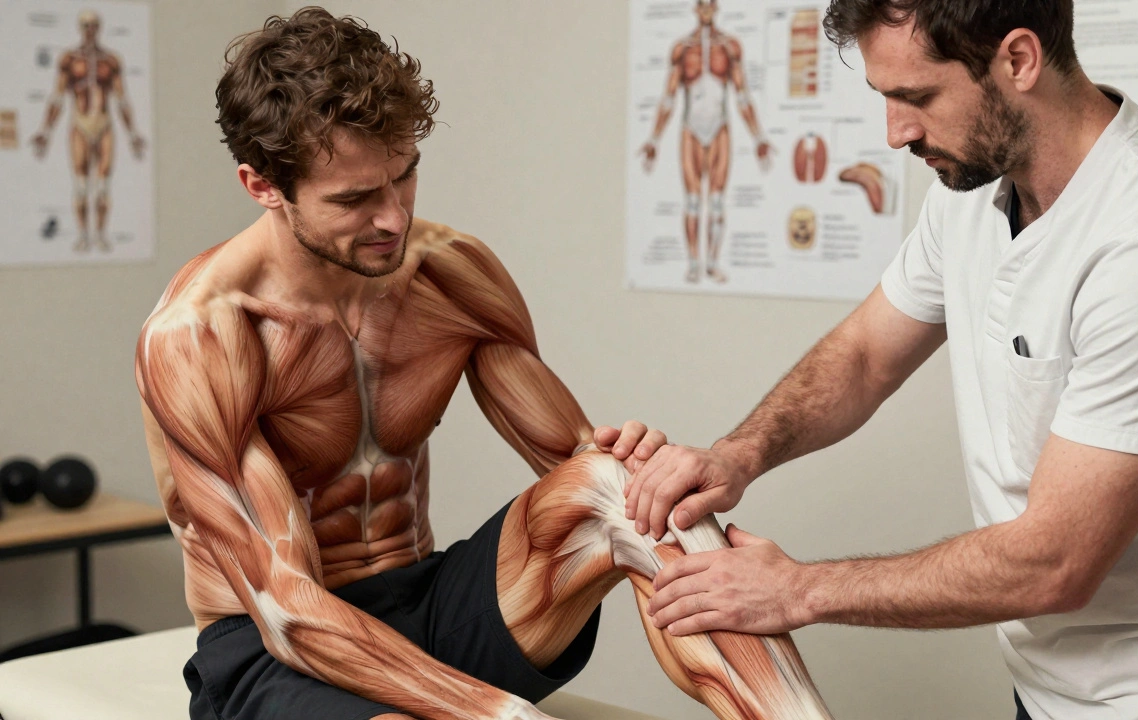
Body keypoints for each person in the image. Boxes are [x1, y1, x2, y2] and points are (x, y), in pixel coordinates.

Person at [135, 8, 835, 720]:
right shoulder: (203, 337)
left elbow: (576, 465)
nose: (394, 218)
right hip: (276, 650)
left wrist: (635, 469)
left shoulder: (448, 277)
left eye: (405, 176)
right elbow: (288, 610)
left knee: (626, 489)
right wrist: (499, 713)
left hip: (427, 602)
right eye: (354, 199)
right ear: (262, 186)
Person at [625, 1, 1138, 718]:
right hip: (1045, 683)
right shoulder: (971, 190)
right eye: (885, 98)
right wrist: (736, 455)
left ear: (1019, 60)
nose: (896, 132)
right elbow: (866, 356)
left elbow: (1056, 562)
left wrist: (797, 590)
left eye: (917, 97)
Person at [639, 0, 772, 285]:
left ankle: (711, 263)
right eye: (702, 6)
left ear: (715, 8)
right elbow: (668, 98)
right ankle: (692, 264)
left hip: (719, 128)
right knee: (691, 201)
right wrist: (654, 139)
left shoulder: (729, 47)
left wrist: (758, 137)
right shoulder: (682, 49)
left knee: (716, 201)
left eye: (711, 5)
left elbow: (742, 95)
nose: (707, 11)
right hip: (691, 130)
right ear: (696, 9)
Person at [31, 9, 147, 253]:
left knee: (103, 185)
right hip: (80, 123)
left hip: (104, 124)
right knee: (82, 185)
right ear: (80, 28)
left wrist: (133, 134)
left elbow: (122, 99)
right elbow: (57, 97)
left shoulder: (110, 60)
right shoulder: (70, 59)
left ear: (99, 28)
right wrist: (45, 131)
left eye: (93, 25)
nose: (90, 30)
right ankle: (84, 235)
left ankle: (101, 234)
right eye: (85, 25)